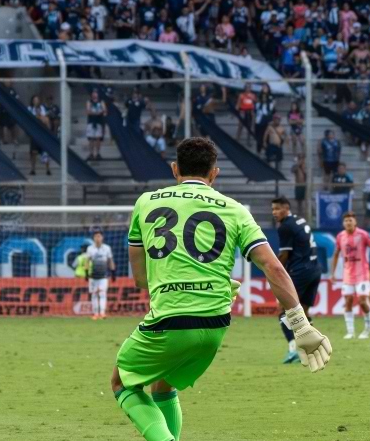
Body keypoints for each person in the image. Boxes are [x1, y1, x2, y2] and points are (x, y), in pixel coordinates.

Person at [111, 138, 331, 441]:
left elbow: (140, 279)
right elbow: (273, 267)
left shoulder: (146, 202)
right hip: (215, 324)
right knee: (163, 384)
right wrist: (300, 324)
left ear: (174, 169)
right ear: (214, 173)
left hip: (169, 320)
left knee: (121, 383)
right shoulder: (235, 209)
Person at [271, 197, 320, 364]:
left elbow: (284, 255)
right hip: (315, 269)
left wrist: (274, 273)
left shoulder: (285, 227)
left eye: (277, 209)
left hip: (300, 271)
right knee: (303, 312)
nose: (274, 212)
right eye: (273, 209)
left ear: (286, 208)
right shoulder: (299, 220)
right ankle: (313, 349)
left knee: (282, 309)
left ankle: (293, 350)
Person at [329, 212, 370, 340]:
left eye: (350, 220)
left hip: (362, 274)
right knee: (348, 301)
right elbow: (336, 254)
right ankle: (350, 331)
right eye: (346, 221)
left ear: (355, 222)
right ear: (343, 223)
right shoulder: (340, 236)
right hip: (348, 275)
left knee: (362, 301)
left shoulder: (363, 235)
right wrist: (332, 273)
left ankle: (368, 327)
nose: (348, 223)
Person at [86, 231, 116, 320]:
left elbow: (110, 260)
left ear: (102, 238)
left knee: (103, 294)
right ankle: (95, 314)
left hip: (103, 276)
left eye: (99, 236)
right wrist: (86, 273)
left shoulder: (107, 248)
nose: (97, 238)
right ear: (93, 238)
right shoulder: (90, 248)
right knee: (94, 294)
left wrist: (113, 272)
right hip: (93, 276)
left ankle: (102, 313)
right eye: (96, 236)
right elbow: (87, 261)